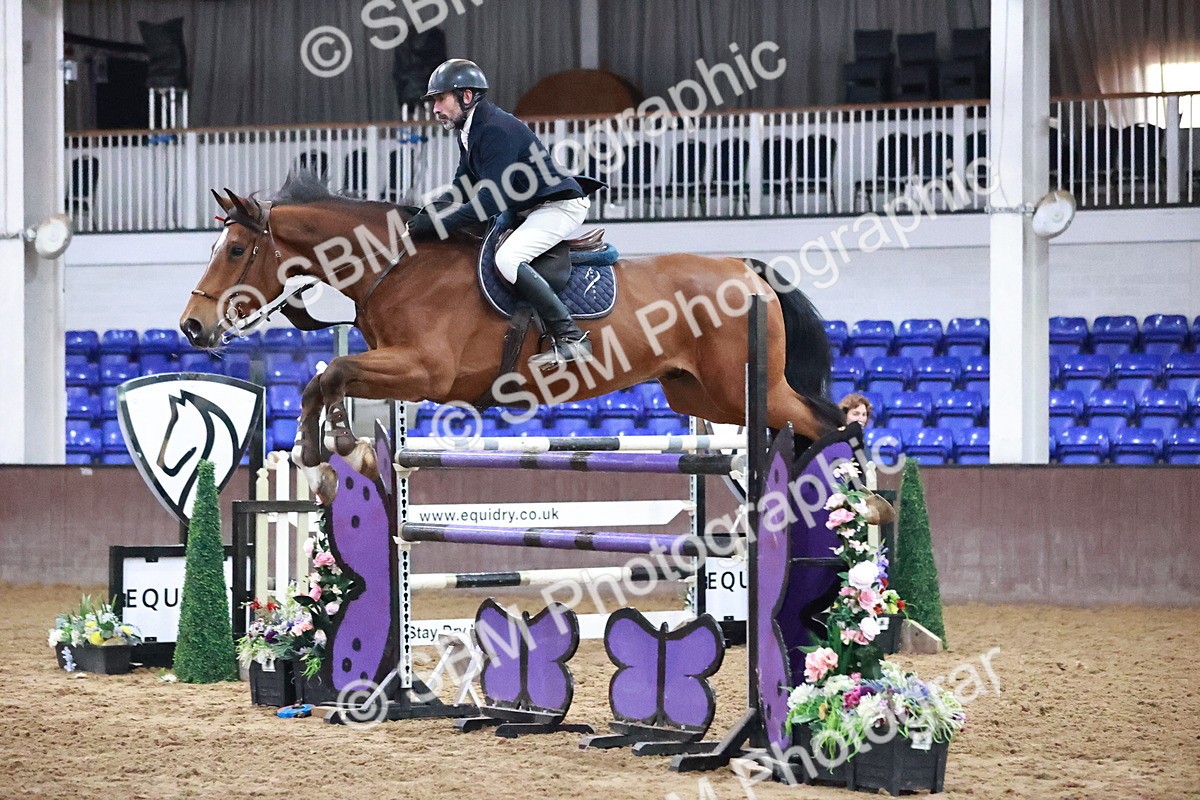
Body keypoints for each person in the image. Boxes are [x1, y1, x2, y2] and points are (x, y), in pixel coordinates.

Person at [405, 58, 598, 369]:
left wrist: (437, 224)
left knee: (507, 258)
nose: (435, 109)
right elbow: (462, 188)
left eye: (440, 99)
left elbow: (488, 202)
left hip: (557, 207)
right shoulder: (470, 130)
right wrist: (423, 215)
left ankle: (571, 337)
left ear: (466, 96)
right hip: (526, 207)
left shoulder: (495, 129)